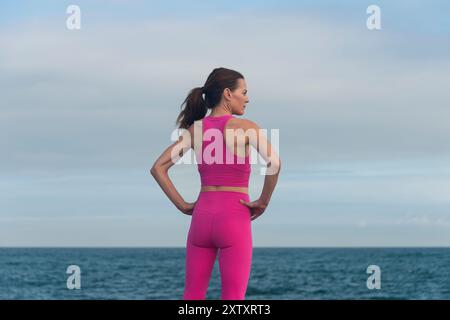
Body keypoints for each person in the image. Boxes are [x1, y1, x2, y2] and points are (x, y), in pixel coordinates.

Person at [150, 67, 281, 300]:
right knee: (233, 298)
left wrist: (183, 205)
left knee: (192, 297)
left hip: (201, 218)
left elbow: (158, 168)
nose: (248, 98)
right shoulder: (246, 128)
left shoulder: (196, 129)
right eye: (244, 92)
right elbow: (274, 163)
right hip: (235, 216)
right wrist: (263, 201)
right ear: (228, 93)